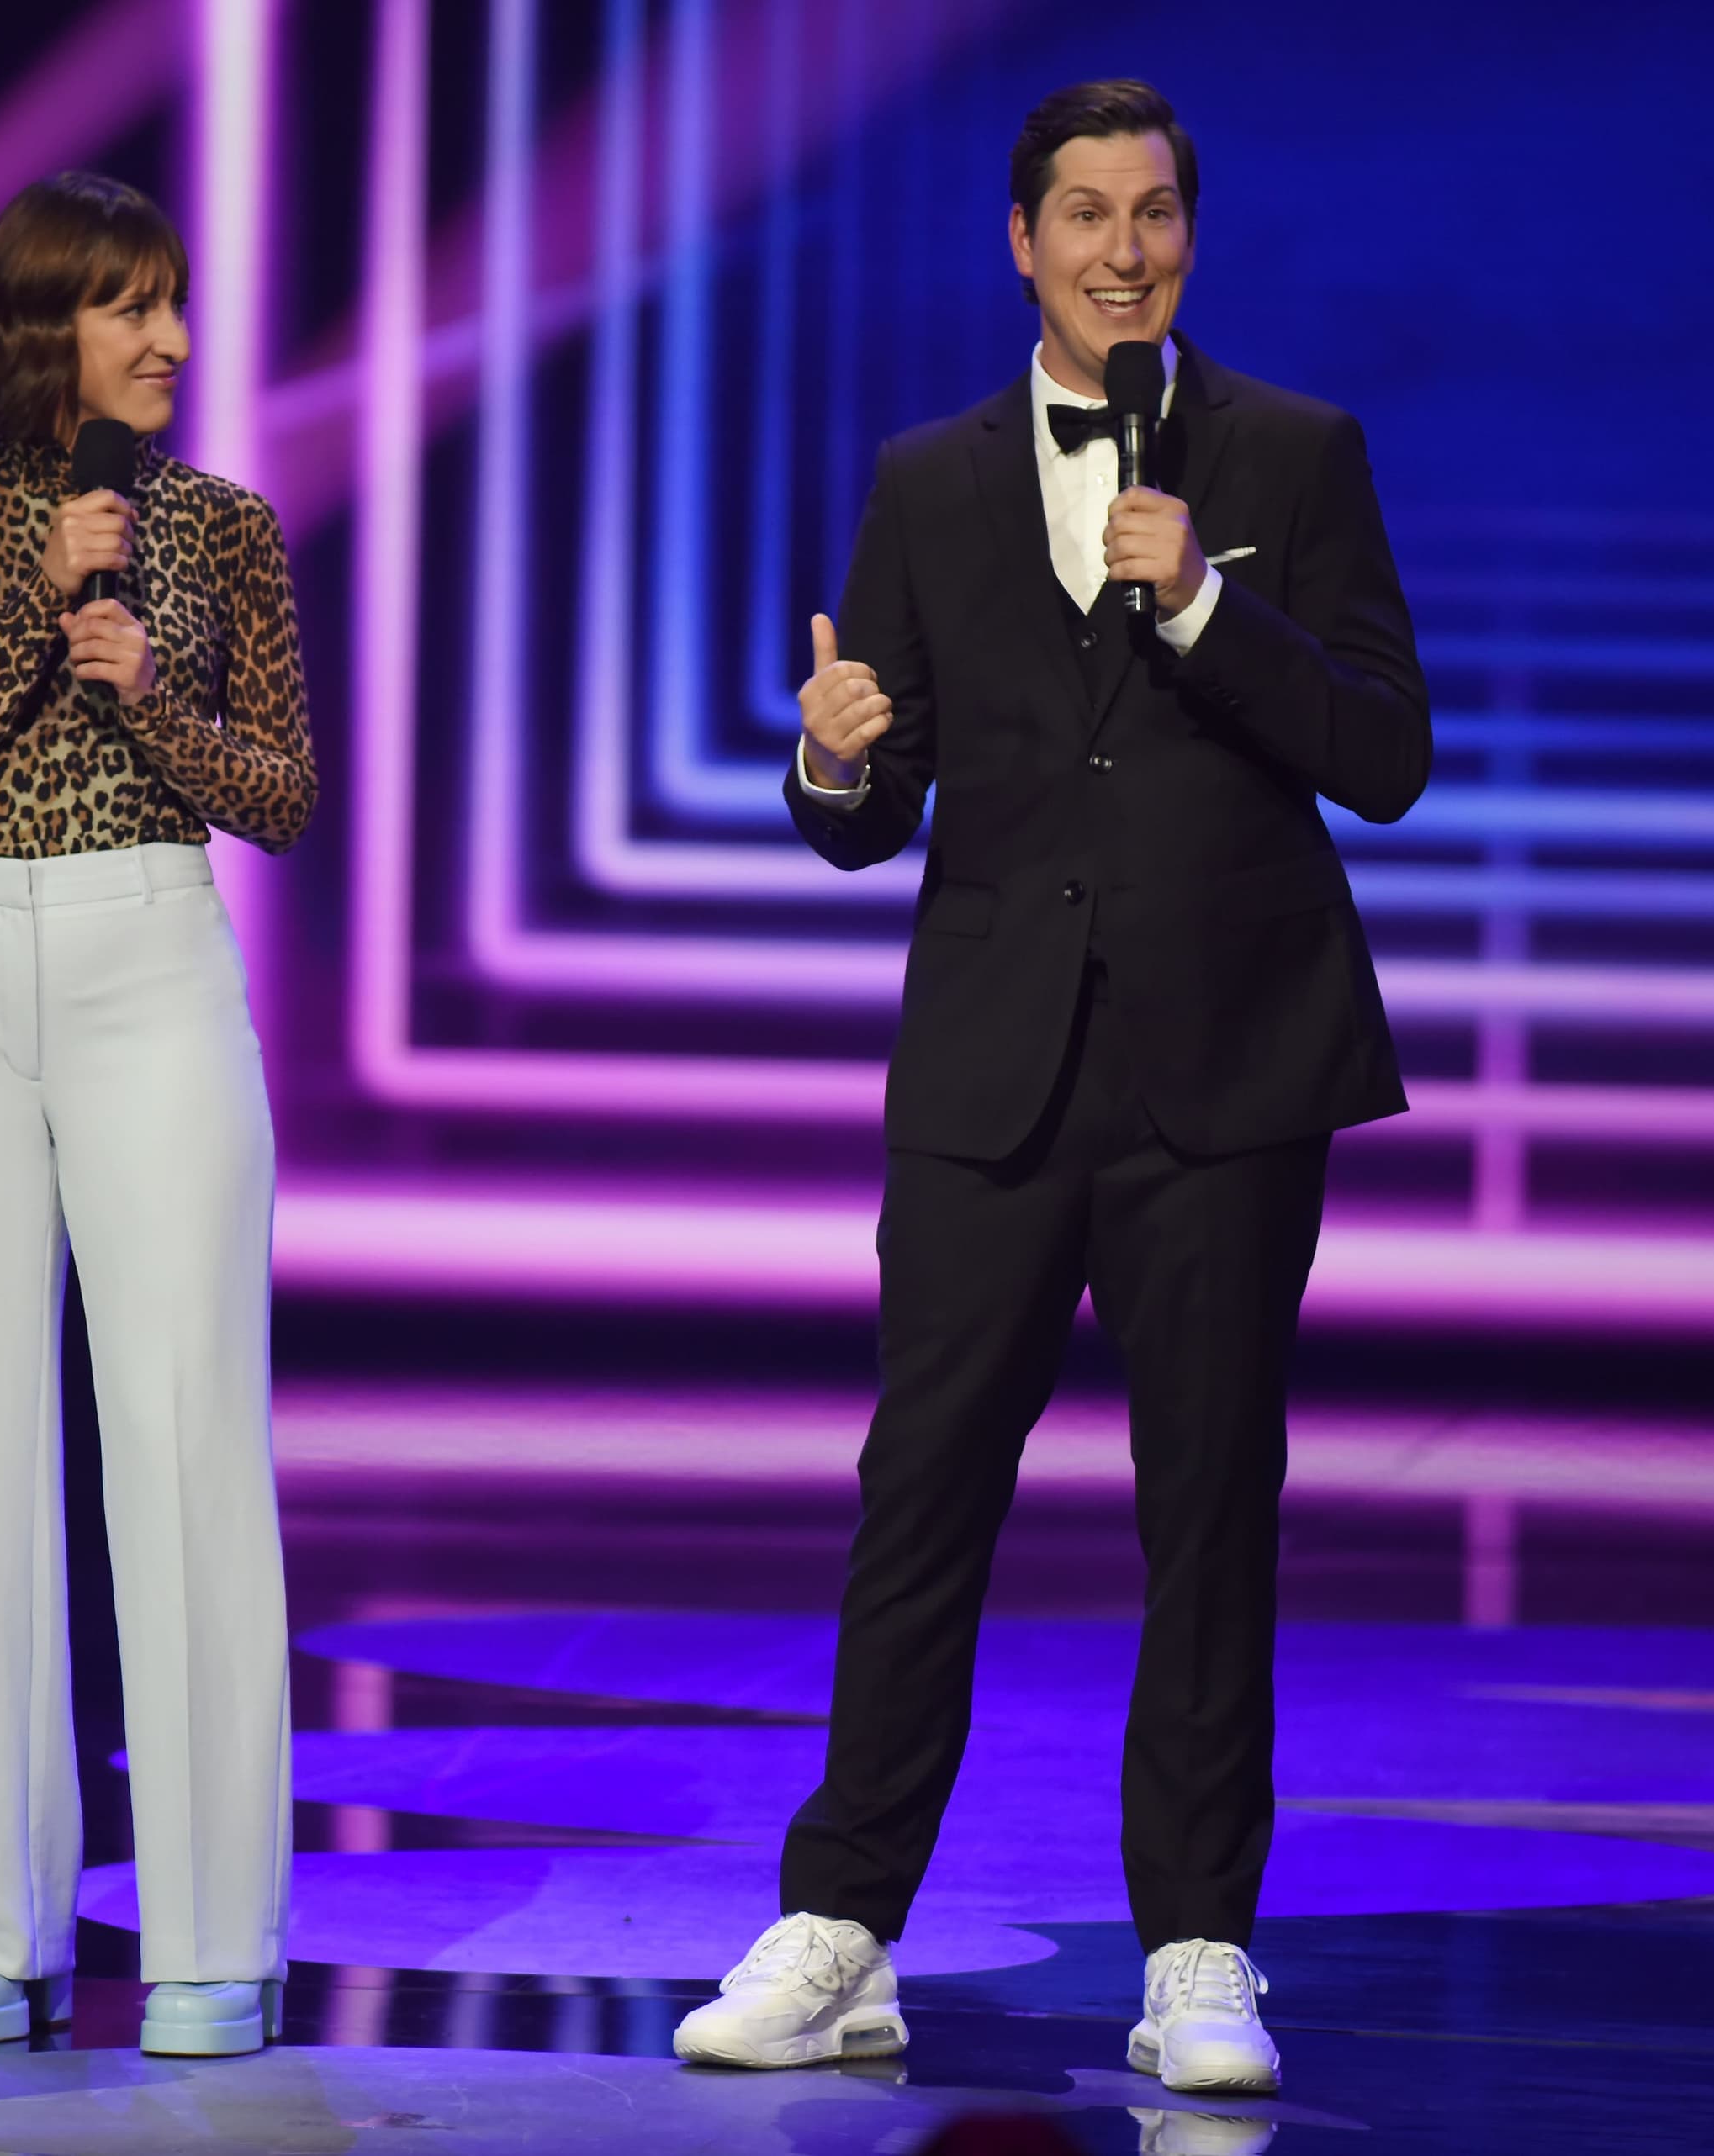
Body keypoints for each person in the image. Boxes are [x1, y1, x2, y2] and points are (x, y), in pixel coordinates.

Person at [675, 81, 1426, 2093]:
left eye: (1154, 212)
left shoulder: (1296, 454)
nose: (1123, 249)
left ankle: (1196, 1948)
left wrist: (1208, 604)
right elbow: (874, 802)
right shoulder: (928, 482)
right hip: (995, 1070)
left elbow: (1386, 751)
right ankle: (843, 1924)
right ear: (1024, 243)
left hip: (1228, 1073)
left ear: (1189, 233)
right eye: (1085, 214)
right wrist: (835, 760)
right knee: (920, 1496)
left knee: (1212, 1511)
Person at [0, 170, 315, 2060]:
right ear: (47, 321)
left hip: (149, 964)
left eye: (178, 303)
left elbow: (282, 790)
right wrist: (39, 610)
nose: (174, 340)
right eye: (136, 305)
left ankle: (214, 1939)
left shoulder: (224, 525)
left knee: (183, 1433)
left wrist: (156, 707)